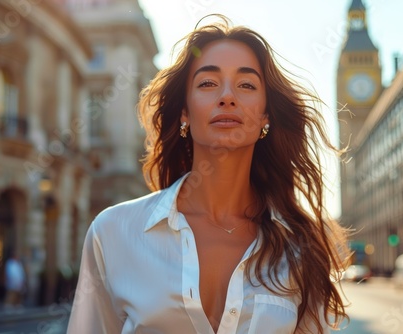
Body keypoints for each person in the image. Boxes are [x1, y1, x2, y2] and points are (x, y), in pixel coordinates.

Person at [68, 15, 348, 334]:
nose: (227, 96)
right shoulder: (114, 232)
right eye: (207, 83)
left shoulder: (300, 247)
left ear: (265, 115)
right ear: (185, 112)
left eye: (246, 85)